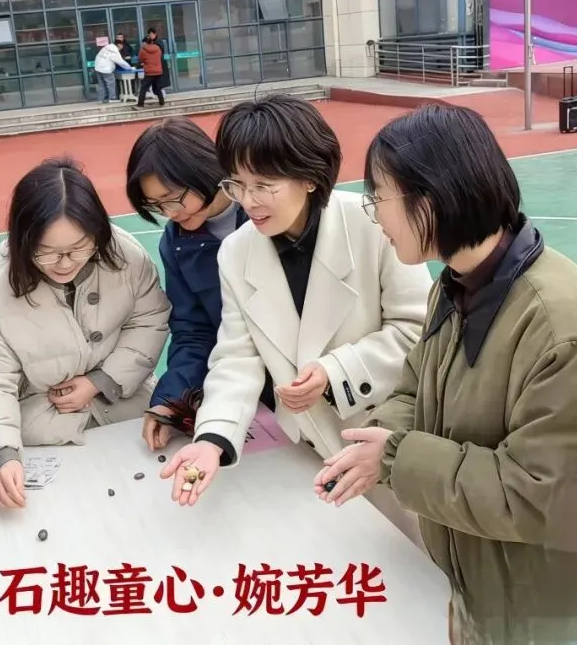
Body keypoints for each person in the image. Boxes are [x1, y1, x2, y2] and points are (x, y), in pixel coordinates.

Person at [313, 103, 577, 644]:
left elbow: (533, 494)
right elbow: (417, 386)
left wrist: (395, 457)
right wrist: (380, 439)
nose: (376, 218)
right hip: (493, 585)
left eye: (379, 199)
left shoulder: (562, 333)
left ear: (430, 199)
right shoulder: (457, 284)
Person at [160, 94, 433, 544]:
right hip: (307, 447)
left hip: (385, 437)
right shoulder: (236, 252)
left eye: (264, 185)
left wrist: (334, 372)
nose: (249, 201)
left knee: (412, 558)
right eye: (237, 184)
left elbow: (419, 331)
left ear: (309, 176)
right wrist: (212, 438)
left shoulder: (372, 224)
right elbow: (237, 358)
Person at [0, 157, 171, 510]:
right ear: (22, 239)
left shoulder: (126, 256)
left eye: (78, 248)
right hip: (44, 436)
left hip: (127, 412)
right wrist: (0, 454)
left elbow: (149, 320)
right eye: (47, 252)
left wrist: (103, 380)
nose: (65, 263)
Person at [125, 117, 248, 451]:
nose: (170, 213)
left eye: (173, 198)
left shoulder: (261, 214)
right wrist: (170, 401)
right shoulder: (176, 242)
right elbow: (193, 331)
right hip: (240, 386)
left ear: (203, 170)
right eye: (156, 205)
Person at [134, 28, 165, 110]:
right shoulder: (158, 48)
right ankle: (162, 102)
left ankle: (140, 104)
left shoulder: (143, 50)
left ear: (144, 42)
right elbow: (159, 57)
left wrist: (144, 63)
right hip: (158, 71)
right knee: (157, 88)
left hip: (149, 72)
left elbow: (140, 59)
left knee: (143, 88)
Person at [93, 38, 132, 103]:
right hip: (106, 69)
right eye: (122, 46)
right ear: (119, 45)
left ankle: (101, 99)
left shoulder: (106, 47)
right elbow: (120, 62)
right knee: (110, 84)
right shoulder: (114, 51)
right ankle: (112, 98)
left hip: (98, 68)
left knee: (102, 85)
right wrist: (129, 68)